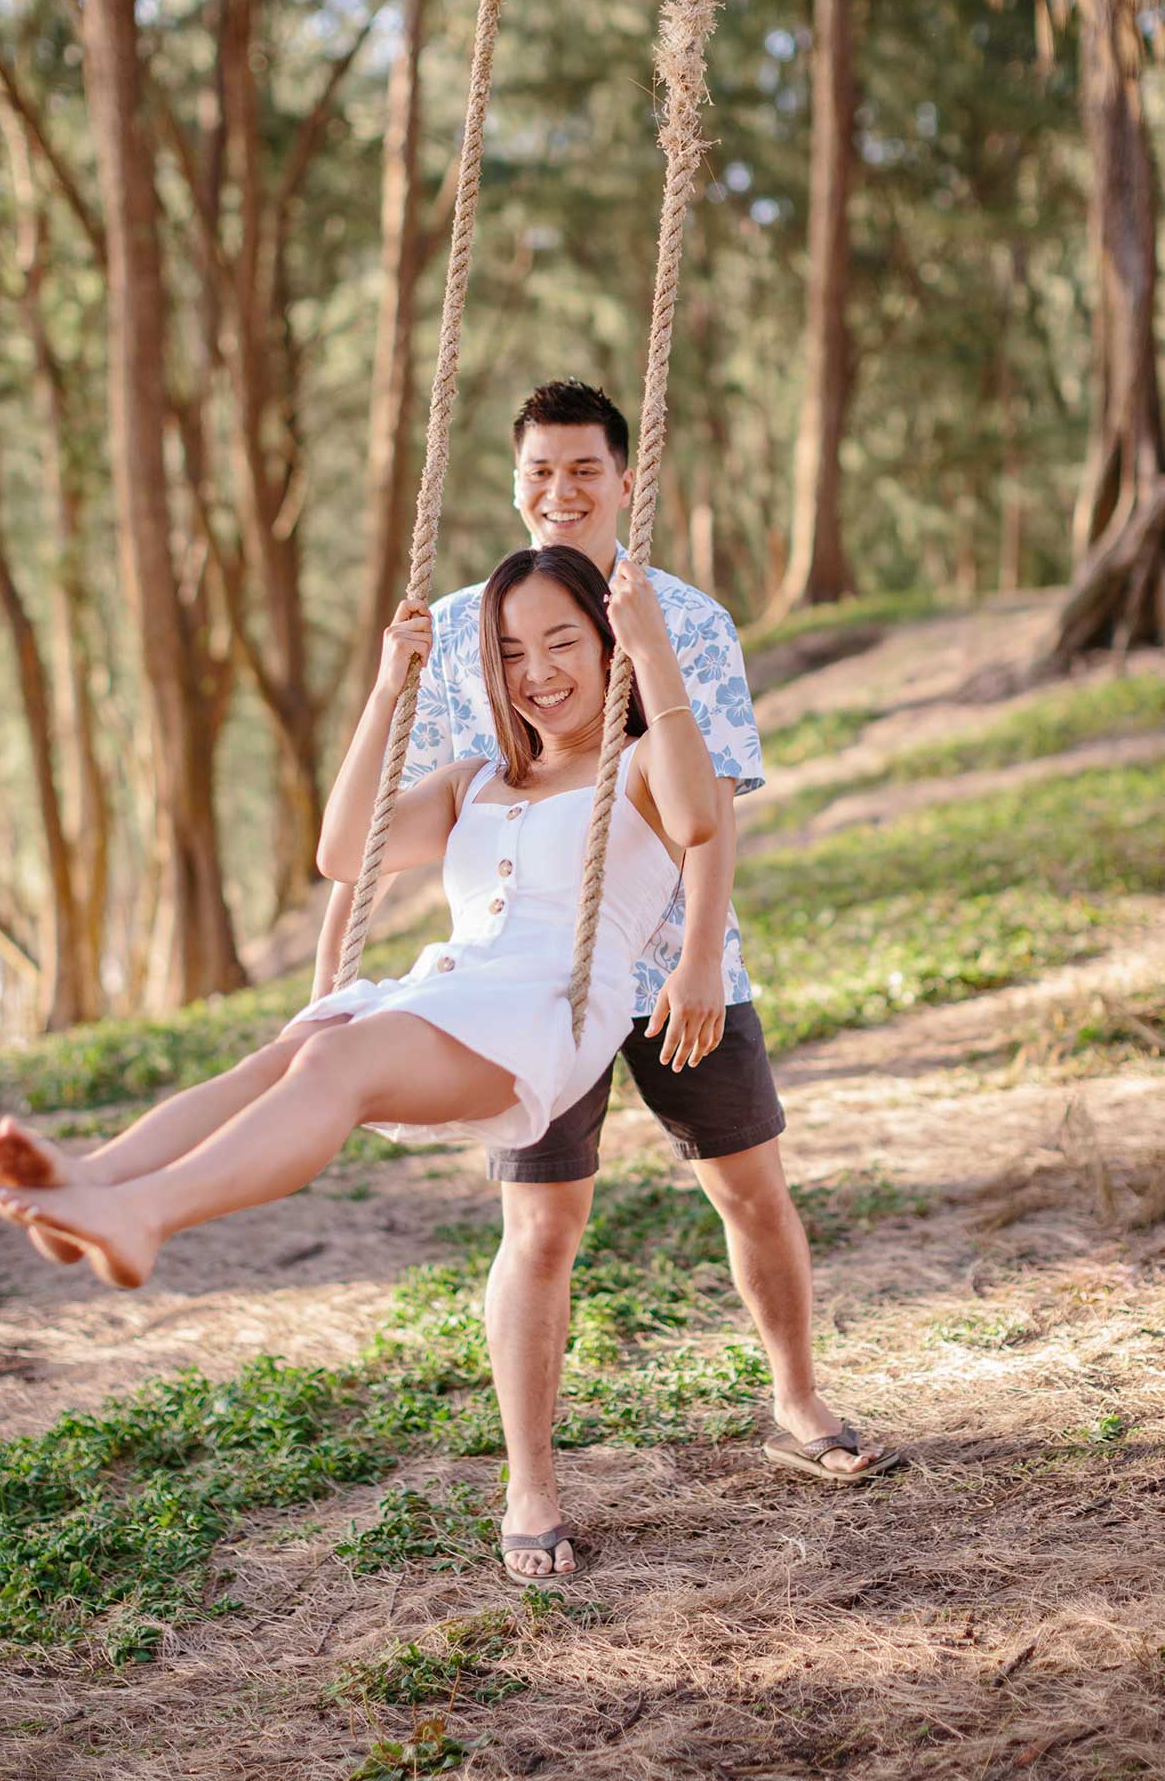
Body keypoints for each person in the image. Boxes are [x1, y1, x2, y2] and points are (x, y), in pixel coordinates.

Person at [314, 380, 897, 1576]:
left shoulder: (680, 615)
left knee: (748, 1188)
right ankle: (530, 1485)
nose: (559, 492)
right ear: (514, 479)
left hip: (678, 960)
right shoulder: (472, 623)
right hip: (521, 979)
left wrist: (693, 959)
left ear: (623, 478)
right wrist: (336, 960)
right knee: (541, 1225)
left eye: (583, 469)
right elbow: (390, 814)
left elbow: (709, 808)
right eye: (539, 470)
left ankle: (797, 1399)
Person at [0, 550, 716, 1369]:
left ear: (609, 645)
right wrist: (387, 687)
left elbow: (699, 819)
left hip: (547, 1010)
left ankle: (142, 1214)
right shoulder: (475, 782)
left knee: (332, 1059)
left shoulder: (643, 765)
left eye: (562, 642)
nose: (535, 671)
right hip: (455, 987)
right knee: (278, 1059)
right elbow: (344, 852)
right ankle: (91, 1182)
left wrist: (656, 653)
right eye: (508, 652)